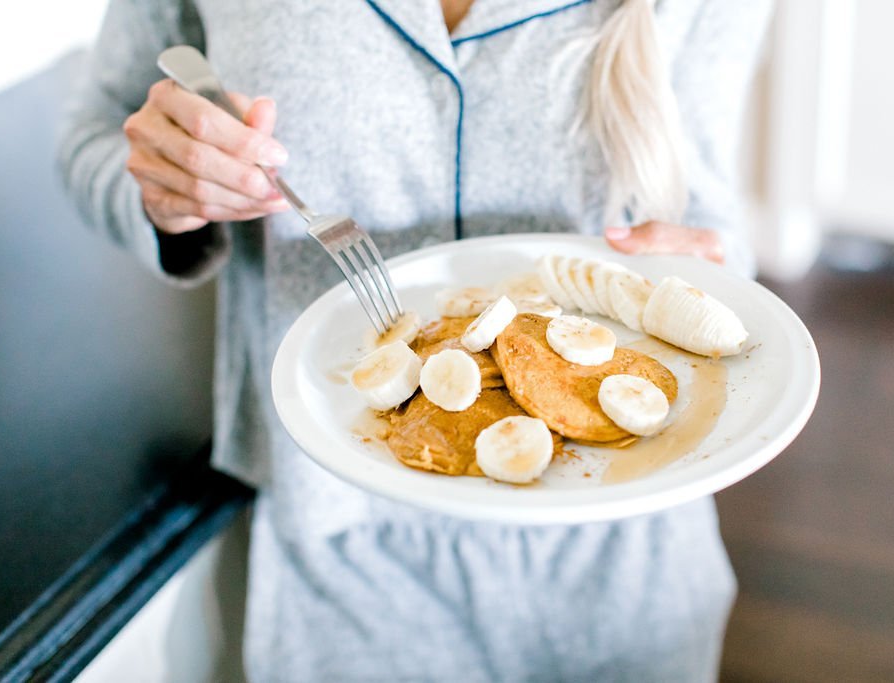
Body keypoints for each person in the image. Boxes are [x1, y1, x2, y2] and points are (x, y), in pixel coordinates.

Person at [60, 0, 772, 679]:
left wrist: (703, 276)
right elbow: (91, 138)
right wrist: (165, 193)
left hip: (625, 554)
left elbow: (709, 218)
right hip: (340, 563)